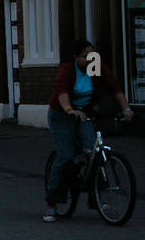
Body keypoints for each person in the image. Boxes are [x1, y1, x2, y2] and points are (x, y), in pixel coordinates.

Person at [44, 38, 133, 222]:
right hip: (62, 114)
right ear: (75, 57)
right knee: (66, 156)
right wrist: (70, 110)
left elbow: (114, 87)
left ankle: (98, 199)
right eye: (86, 56)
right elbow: (62, 92)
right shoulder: (68, 70)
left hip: (84, 114)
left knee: (94, 153)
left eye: (93, 54)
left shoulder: (94, 68)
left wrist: (126, 108)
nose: (91, 58)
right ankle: (52, 204)